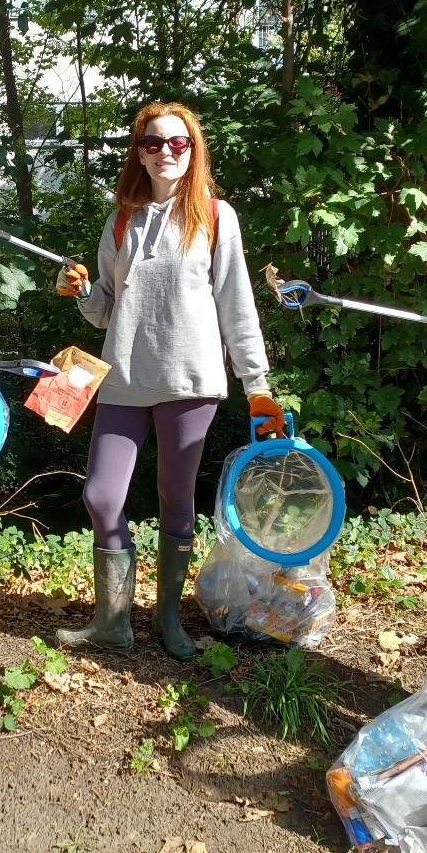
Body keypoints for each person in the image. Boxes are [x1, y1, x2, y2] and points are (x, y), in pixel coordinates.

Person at [54, 101, 284, 660]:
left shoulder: (214, 215)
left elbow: (238, 306)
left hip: (192, 379)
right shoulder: (121, 219)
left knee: (175, 499)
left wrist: (257, 384)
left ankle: (167, 623)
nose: (165, 153)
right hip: (124, 377)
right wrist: (80, 290)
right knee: (101, 496)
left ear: (193, 149)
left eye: (177, 143)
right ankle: (112, 621)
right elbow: (106, 310)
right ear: (138, 153)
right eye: (152, 144)